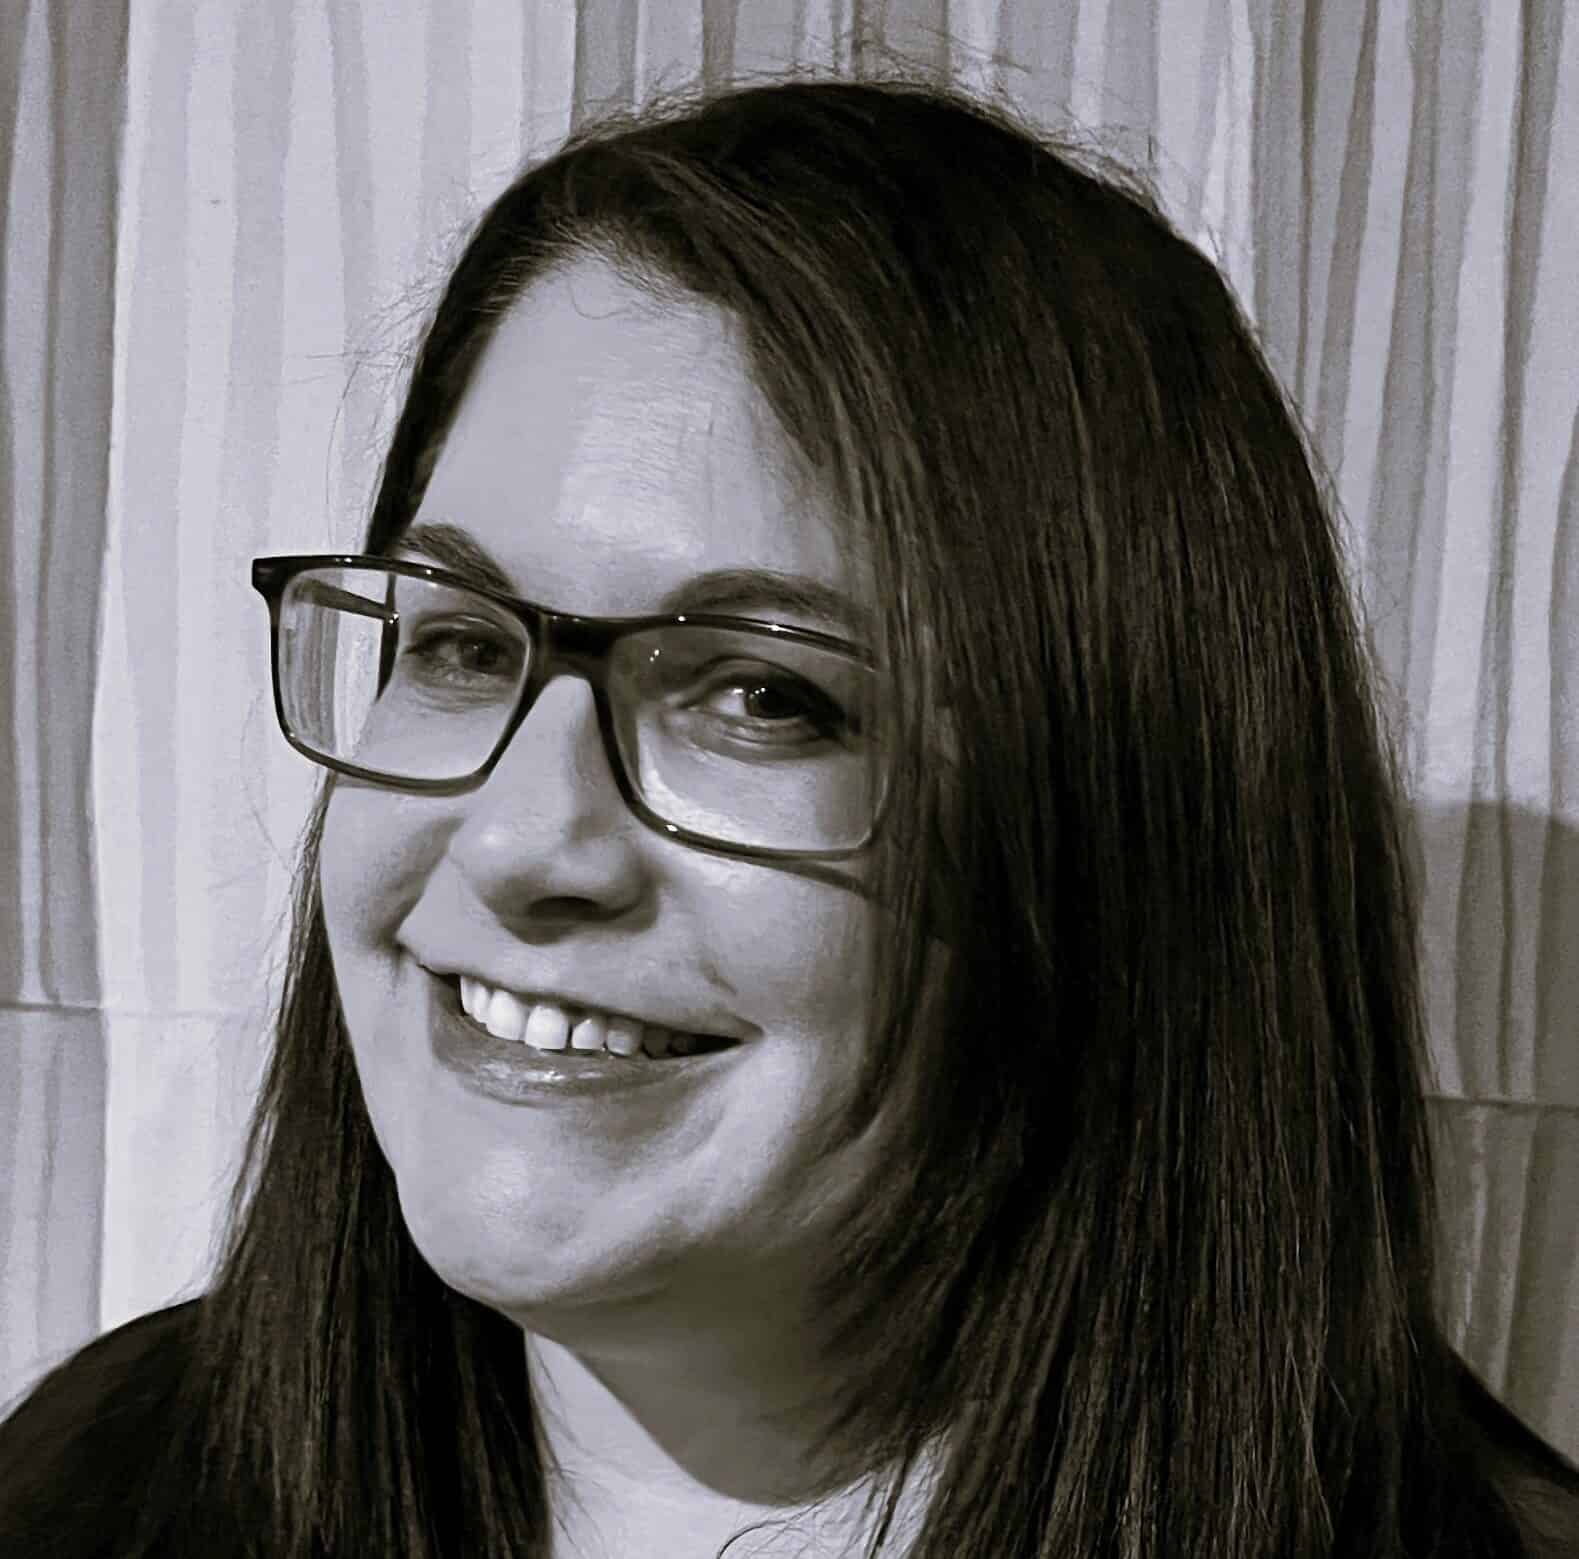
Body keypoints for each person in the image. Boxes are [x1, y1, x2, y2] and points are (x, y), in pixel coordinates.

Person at [3, 72, 1577, 1559]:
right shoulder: (104, 1480)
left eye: (764, 696)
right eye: (466, 644)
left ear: (1121, 843)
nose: (517, 843)